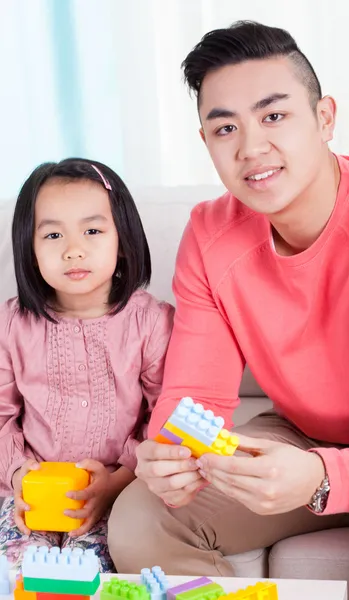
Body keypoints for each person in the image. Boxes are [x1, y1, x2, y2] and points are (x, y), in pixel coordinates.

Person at [108, 21, 349, 588]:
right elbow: (192, 399)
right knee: (143, 519)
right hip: (297, 436)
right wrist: (167, 458)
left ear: (324, 118)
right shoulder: (210, 235)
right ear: (207, 142)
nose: (251, 147)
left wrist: (323, 475)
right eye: (225, 127)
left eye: (274, 116)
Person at [0, 158, 174, 571]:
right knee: (15, 573)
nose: (73, 248)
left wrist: (117, 482)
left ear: (123, 239)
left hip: (117, 495)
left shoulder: (150, 322)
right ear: (30, 247)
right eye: (53, 234)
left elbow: (164, 419)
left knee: (90, 576)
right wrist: (17, 474)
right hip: (27, 496)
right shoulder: (11, 325)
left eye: (92, 231)